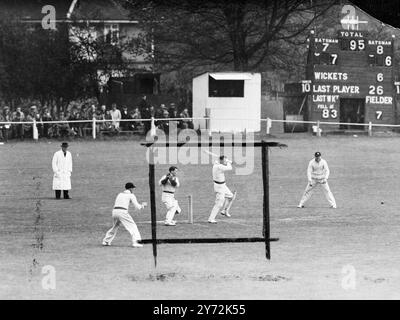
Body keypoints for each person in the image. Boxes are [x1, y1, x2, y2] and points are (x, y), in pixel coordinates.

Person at [102, 182, 147, 248]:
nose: (133, 190)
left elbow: (122, 201)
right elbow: (137, 207)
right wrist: (143, 205)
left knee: (115, 226)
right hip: (122, 212)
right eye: (133, 188)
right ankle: (136, 242)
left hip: (114, 212)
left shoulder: (120, 194)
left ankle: (106, 241)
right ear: (131, 188)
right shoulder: (131, 195)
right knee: (133, 227)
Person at [208, 155, 234, 223]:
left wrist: (226, 160)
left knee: (231, 196)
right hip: (219, 187)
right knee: (219, 204)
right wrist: (228, 162)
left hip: (223, 185)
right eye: (224, 161)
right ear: (221, 161)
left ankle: (224, 210)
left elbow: (218, 160)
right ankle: (211, 219)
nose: (225, 162)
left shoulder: (217, 163)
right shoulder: (219, 166)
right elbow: (230, 168)